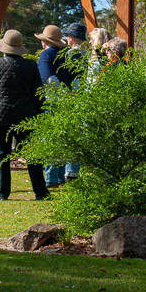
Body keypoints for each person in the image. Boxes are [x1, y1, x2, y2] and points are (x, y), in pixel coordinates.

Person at [0, 30, 49, 201]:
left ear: (4, 47)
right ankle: (40, 192)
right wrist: (40, 114)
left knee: (1, 155)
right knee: (32, 154)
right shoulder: (30, 65)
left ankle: (3, 193)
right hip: (25, 115)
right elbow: (38, 92)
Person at [35, 24, 73, 188]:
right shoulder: (66, 56)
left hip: (53, 101)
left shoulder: (46, 55)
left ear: (45, 42)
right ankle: (59, 176)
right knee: (62, 139)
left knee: (50, 139)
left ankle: (50, 177)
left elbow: (49, 80)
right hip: (68, 101)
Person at [61, 22, 87, 182]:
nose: (66, 38)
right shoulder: (85, 55)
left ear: (72, 38)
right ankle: (74, 170)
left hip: (72, 96)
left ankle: (70, 171)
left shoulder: (72, 55)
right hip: (81, 97)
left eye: (68, 36)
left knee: (70, 134)